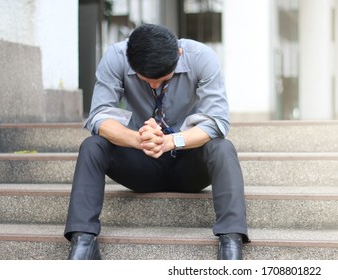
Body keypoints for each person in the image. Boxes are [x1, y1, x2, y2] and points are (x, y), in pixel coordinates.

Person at [64, 24, 249, 260]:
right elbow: (99, 117)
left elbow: (217, 122)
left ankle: (231, 242)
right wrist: (138, 139)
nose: (154, 85)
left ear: (178, 55)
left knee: (222, 147)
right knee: (92, 145)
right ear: (131, 62)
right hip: (140, 164)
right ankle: (83, 242)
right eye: (146, 79)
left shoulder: (201, 57)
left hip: (188, 165)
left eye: (162, 79)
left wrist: (170, 141)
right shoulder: (116, 56)